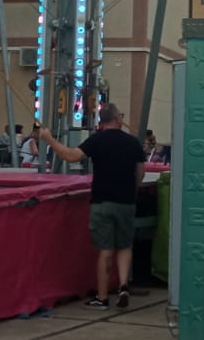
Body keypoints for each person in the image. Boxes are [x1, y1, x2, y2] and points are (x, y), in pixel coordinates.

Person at [37, 103, 145, 309]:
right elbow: (140, 171)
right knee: (124, 246)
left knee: (105, 250)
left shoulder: (97, 140)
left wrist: (49, 138)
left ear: (101, 122)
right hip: (126, 202)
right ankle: (123, 285)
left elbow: (70, 156)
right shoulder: (133, 143)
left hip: (102, 201)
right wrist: (134, 189)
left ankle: (102, 298)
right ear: (118, 119)